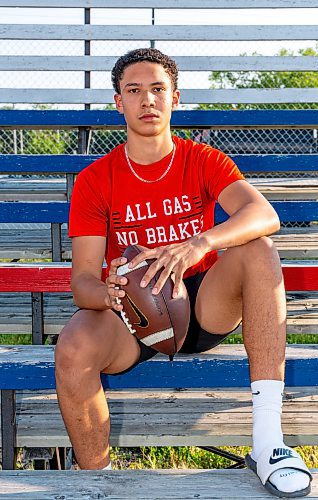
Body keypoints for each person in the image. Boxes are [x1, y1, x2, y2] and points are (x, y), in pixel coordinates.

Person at [55, 48, 312, 497]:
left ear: (175, 98)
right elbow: (81, 282)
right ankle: (94, 480)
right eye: (134, 91)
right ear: (119, 102)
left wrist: (200, 243)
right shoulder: (97, 179)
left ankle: (269, 443)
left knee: (259, 250)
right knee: (74, 345)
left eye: (158, 89)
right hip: (133, 315)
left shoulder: (202, 159)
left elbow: (263, 213)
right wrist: (109, 292)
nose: (147, 100)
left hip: (205, 305)